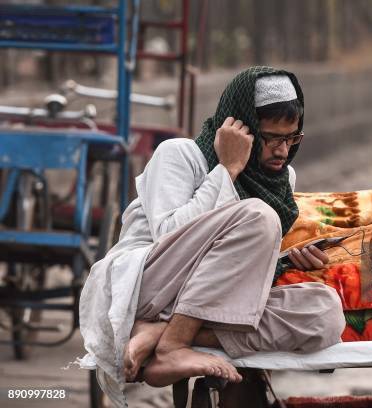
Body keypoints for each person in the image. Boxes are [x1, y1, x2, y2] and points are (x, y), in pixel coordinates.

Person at [78, 66, 345, 405]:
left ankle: (161, 334)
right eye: (272, 138)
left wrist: (286, 261)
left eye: (292, 138)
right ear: (240, 128)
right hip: (149, 287)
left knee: (324, 312)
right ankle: (173, 347)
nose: (282, 150)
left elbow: (234, 265)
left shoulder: (281, 178)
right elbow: (169, 236)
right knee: (259, 215)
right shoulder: (179, 154)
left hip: (205, 302)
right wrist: (227, 169)